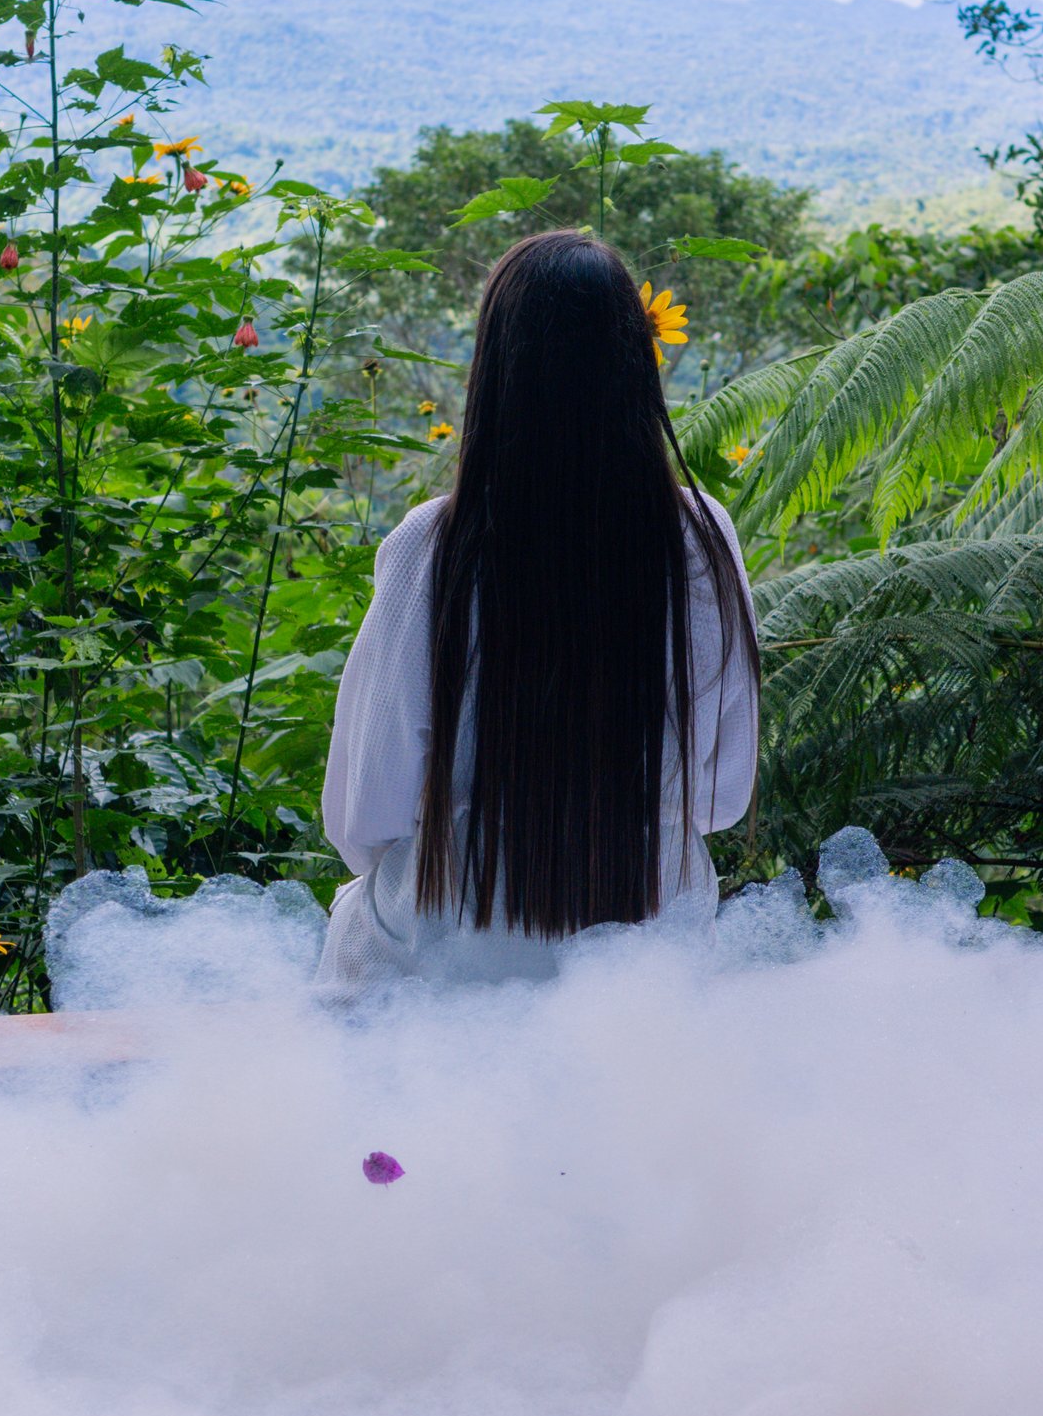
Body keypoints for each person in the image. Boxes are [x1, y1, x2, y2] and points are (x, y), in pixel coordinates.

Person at [317, 231, 760, 988]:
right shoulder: (701, 536)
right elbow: (719, 797)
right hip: (647, 963)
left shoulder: (435, 546)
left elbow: (366, 815)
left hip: (447, 957)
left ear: (496, 372)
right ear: (635, 364)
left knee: (357, 921)